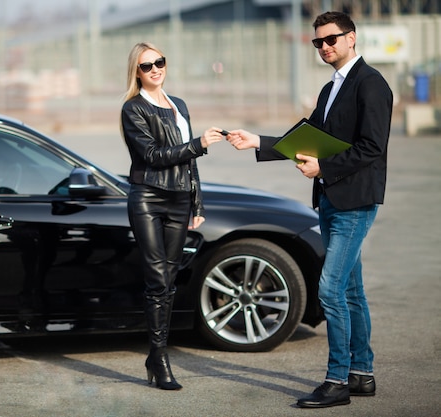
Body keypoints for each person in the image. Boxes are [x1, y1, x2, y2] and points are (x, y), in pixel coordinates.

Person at [227, 11, 392, 408]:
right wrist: (259, 143)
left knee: (330, 289)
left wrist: (325, 167)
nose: (324, 47)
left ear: (352, 38)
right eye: (317, 42)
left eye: (331, 39)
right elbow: (307, 138)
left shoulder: (371, 85)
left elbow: (372, 147)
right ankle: (361, 374)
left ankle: (337, 381)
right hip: (330, 200)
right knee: (351, 291)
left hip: (354, 202)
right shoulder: (329, 88)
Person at [120, 42, 224, 390]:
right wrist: (199, 144)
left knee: (170, 277)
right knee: (157, 279)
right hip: (148, 197)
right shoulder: (132, 108)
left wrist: (197, 202)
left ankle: (156, 355)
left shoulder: (178, 105)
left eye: (159, 62)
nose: (155, 70)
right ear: (137, 71)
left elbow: (188, 164)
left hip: (180, 200)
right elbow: (151, 155)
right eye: (147, 65)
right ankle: (159, 356)